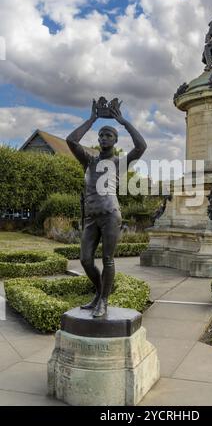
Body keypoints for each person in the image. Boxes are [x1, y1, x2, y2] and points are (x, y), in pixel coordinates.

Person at [66, 99, 147, 317]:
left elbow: (141, 146)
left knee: (108, 259)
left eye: (108, 135)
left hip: (111, 214)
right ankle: (99, 293)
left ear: (115, 140)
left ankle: (103, 300)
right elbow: (71, 140)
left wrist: (123, 121)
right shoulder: (89, 161)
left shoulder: (120, 162)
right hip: (91, 217)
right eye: (101, 135)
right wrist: (92, 119)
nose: (103, 138)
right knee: (85, 260)